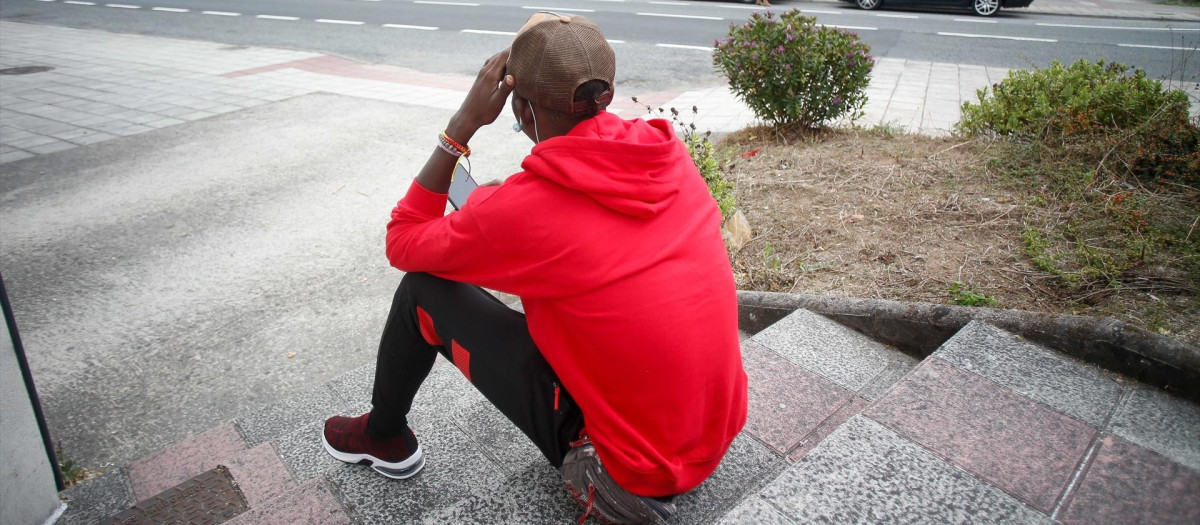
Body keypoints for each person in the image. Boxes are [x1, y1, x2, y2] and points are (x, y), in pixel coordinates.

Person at [321, 12, 747, 524]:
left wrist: (460, 127)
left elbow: (402, 240)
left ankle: (382, 436)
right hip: (712, 434)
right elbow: (582, 224)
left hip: (628, 477)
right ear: (605, 92)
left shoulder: (527, 210)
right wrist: (502, 206)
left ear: (520, 106)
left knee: (421, 292)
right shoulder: (664, 153)